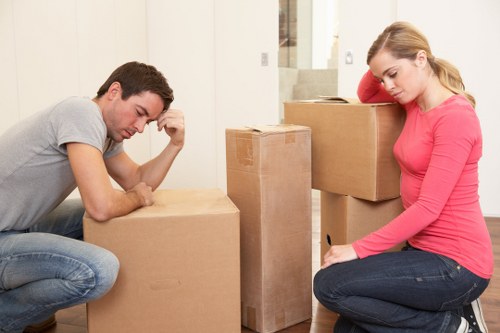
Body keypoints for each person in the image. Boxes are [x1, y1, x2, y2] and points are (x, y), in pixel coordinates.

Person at [313, 21, 493, 333]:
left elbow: (429, 208)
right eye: (383, 78)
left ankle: (452, 326)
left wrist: (356, 248)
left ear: (421, 59)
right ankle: (446, 315)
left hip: (458, 265)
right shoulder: (413, 103)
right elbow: (365, 93)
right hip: (422, 249)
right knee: (348, 328)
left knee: (328, 286)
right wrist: (383, 62)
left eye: (393, 74)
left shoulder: (455, 118)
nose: (388, 85)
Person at [0, 61, 185, 333]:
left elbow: (137, 181)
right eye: (139, 113)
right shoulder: (81, 113)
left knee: (116, 218)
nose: (141, 127)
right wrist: (136, 197)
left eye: (148, 120)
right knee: (98, 270)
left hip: (17, 226)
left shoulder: (106, 133)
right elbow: (101, 206)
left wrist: (175, 144)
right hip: (5, 234)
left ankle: (22, 306)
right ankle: (7, 316)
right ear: (114, 91)